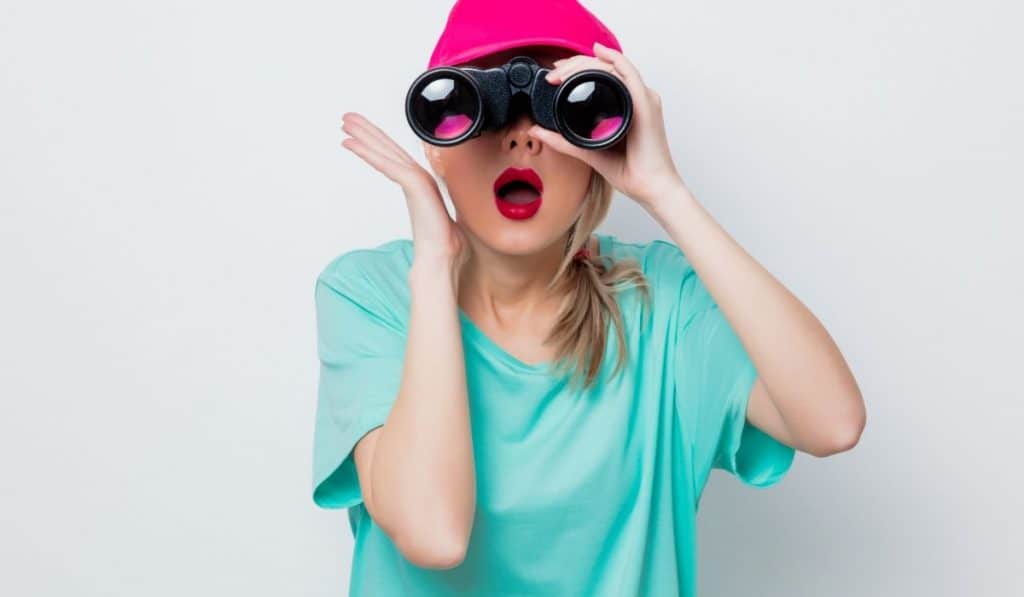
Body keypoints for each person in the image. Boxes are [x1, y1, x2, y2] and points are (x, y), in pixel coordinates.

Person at [312, 0, 866, 595]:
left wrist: (665, 192)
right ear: (436, 143)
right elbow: (434, 535)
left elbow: (832, 424)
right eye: (478, 107)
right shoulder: (372, 295)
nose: (522, 139)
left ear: (604, 141)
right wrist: (434, 265)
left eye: (561, 111)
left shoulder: (663, 305)